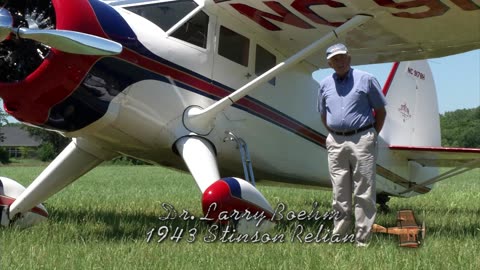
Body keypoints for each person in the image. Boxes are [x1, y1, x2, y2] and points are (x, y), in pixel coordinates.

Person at [317, 43, 387, 247]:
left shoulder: (366, 79)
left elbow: (380, 111)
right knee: (339, 191)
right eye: (334, 59)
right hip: (336, 141)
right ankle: (338, 236)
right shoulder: (324, 84)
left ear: (349, 59)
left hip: (362, 139)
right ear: (329, 63)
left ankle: (362, 241)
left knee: (364, 191)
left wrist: (371, 134)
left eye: (342, 58)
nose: (339, 62)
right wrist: (335, 133)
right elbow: (323, 114)